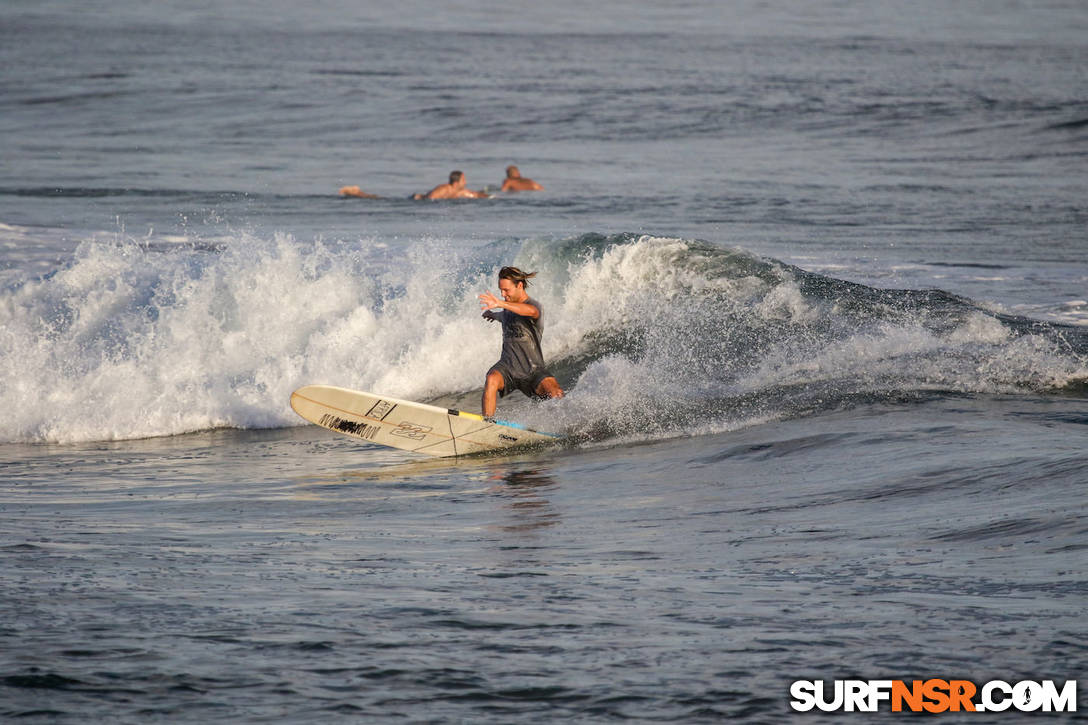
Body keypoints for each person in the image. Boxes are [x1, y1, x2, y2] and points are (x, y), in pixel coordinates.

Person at [478, 267, 564, 417]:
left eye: (506, 290)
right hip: (508, 367)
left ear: (519, 285)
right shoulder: (507, 308)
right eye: (501, 290)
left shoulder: (534, 305)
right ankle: (487, 424)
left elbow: (530, 312)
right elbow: (505, 316)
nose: (502, 294)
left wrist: (500, 304)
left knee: (555, 393)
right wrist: (493, 315)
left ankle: (573, 426)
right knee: (491, 378)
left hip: (533, 369)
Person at [413, 170, 489, 200]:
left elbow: (474, 194)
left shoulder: (460, 191)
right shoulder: (443, 189)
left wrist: (488, 196)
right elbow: (430, 198)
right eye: (463, 180)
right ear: (456, 183)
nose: (465, 182)